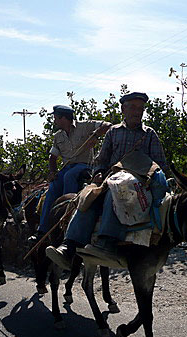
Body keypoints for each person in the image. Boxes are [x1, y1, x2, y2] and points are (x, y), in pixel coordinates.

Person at [46, 92, 170, 269]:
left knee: (116, 190)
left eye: (141, 108)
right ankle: (69, 246)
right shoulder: (114, 132)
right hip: (111, 176)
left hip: (138, 182)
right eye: (133, 107)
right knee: (88, 196)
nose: (138, 112)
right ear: (123, 109)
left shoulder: (149, 134)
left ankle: (106, 242)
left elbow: (160, 164)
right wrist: (98, 173)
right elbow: (101, 158)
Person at [29, 105, 112, 243]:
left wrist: (96, 135)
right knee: (53, 186)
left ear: (63, 118)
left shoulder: (85, 126)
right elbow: (53, 157)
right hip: (66, 167)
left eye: (55, 118)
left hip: (84, 166)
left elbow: (108, 125)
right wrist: (53, 172)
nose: (54, 121)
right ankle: (42, 231)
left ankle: (68, 217)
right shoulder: (58, 136)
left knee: (70, 176)